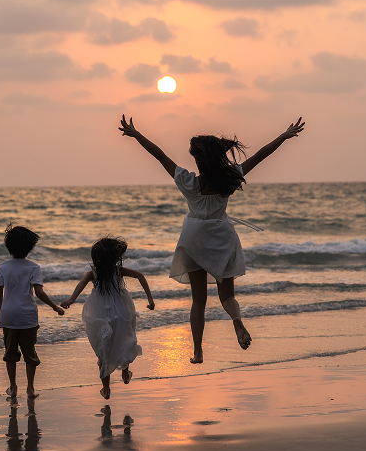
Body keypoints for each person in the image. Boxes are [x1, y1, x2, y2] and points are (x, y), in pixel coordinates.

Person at [119, 114, 305, 363]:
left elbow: (159, 155)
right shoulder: (229, 178)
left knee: (199, 301)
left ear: (198, 159)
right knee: (227, 296)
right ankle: (236, 320)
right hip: (221, 238)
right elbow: (260, 156)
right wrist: (283, 136)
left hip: (194, 239)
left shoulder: (188, 183)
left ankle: (197, 352)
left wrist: (136, 134)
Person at [61, 236, 154, 399]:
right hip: (122, 312)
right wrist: (150, 300)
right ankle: (125, 374)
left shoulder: (93, 273)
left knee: (104, 350)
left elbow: (81, 285)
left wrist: (71, 300)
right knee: (124, 341)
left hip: (101, 314)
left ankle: (106, 389)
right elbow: (140, 276)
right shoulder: (118, 270)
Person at [0, 223, 64, 398]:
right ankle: (30, 389)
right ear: (30, 247)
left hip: (9, 316)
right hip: (28, 317)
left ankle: (12, 387)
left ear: (8, 246)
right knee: (30, 354)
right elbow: (39, 292)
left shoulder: (2, 267)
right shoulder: (34, 267)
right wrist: (54, 306)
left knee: (10, 354)